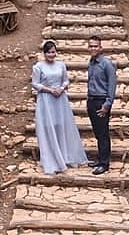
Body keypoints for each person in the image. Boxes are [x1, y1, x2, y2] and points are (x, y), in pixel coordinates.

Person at [31, 40, 89, 175]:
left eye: (53, 52)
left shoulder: (61, 65)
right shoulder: (38, 67)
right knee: (48, 125)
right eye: (49, 52)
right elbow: (35, 84)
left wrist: (61, 88)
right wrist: (50, 90)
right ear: (44, 53)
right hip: (46, 99)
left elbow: (66, 80)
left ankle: (64, 154)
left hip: (60, 98)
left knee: (61, 124)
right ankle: (51, 157)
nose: (51, 55)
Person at [86, 34, 117, 175]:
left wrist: (107, 104)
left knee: (103, 133)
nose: (93, 48)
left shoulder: (107, 64)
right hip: (91, 100)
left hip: (101, 102)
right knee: (97, 133)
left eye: (95, 46)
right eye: (91, 46)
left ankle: (104, 164)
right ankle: (99, 158)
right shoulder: (91, 62)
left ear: (100, 47)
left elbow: (112, 85)